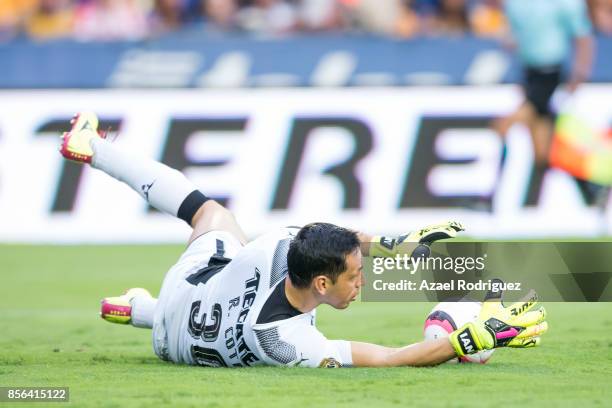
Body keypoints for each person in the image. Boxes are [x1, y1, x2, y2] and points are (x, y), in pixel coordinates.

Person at [59, 112, 548, 368]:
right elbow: (390, 359)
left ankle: (94, 148)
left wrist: (388, 246)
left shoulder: (278, 246)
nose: (362, 283)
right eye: (355, 277)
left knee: (208, 213)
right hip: (172, 338)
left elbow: (327, 236)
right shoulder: (284, 341)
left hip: (184, 299)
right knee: (213, 213)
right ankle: (136, 306)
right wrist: (472, 337)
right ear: (320, 282)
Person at [493, 0, 594, 206]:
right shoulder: (515, 4)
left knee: (503, 126)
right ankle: (590, 190)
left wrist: (580, 73)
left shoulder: (564, 3)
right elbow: (516, 38)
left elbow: (583, 37)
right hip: (531, 75)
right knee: (543, 154)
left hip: (550, 74)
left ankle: (489, 198)